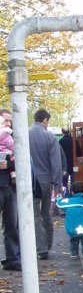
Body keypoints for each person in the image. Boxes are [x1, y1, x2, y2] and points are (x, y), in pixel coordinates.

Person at [28, 108, 63, 260]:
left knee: (34, 214)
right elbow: (56, 163)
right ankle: (47, 244)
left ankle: (40, 248)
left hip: (29, 181)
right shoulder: (50, 137)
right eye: (48, 121)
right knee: (45, 213)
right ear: (45, 120)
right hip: (46, 181)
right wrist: (58, 185)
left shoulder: (24, 134)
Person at [0, 108, 20, 271]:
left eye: (9, 121)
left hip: (10, 186)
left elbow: (23, 160)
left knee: (11, 224)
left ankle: (12, 259)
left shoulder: (12, 138)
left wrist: (10, 164)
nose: (8, 124)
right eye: (5, 120)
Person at [55, 181, 83, 259]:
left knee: (74, 240)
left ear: (72, 192)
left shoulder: (68, 202)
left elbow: (59, 204)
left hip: (72, 228)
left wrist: (58, 198)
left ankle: (74, 254)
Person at [58, 128, 82, 192]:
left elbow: (58, 154)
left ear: (62, 132)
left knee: (64, 183)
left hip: (64, 166)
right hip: (74, 165)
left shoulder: (60, 141)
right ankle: (73, 195)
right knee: (74, 183)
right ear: (70, 132)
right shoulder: (75, 141)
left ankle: (66, 196)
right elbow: (80, 153)